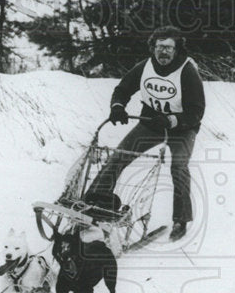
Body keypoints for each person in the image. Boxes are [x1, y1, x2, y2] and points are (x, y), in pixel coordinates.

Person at [84, 27, 206, 241]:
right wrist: (118, 107)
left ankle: (181, 219)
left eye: (168, 47)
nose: (163, 53)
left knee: (178, 166)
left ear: (177, 49)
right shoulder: (145, 66)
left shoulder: (187, 71)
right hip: (151, 123)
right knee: (119, 156)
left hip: (182, 128)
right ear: (153, 48)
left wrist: (171, 120)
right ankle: (94, 203)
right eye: (159, 47)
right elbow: (122, 89)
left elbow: (196, 111)